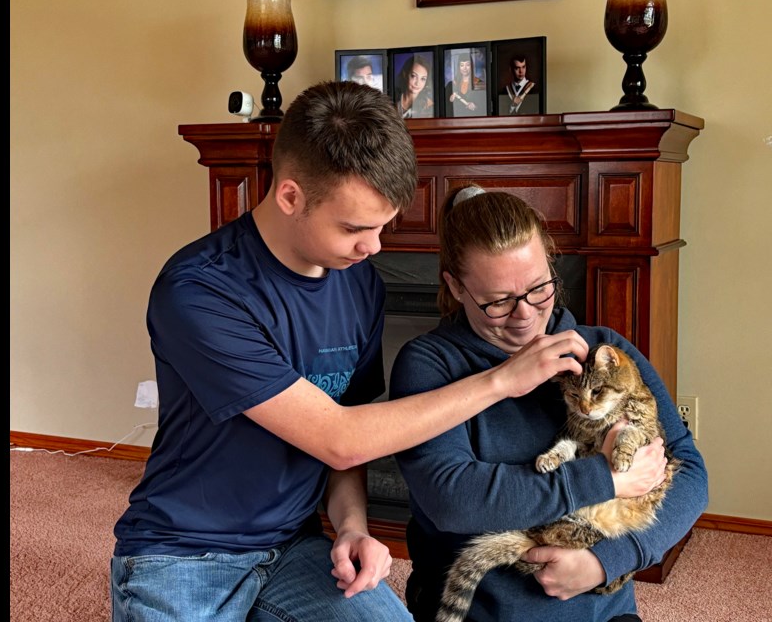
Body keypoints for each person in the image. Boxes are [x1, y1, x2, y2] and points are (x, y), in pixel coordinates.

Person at [110, 82, 591, 622]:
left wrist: (353, 527)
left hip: (295, 545)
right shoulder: (199, 291)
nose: (374, 247)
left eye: (384, 225)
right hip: (182, 553)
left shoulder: (360, 284)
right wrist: (502, 379)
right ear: (291, 196)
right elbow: (340, 440)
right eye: (355, 228)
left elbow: (353, 438)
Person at [390, 186, 709, 622]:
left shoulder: (605, 350)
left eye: (539, 288)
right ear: (456, 287)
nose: (524, 315)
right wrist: (605, 479)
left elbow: (690, 470)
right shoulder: (428, 365)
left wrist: (605, 562)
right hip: (479, 610)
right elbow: (452, 500)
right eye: (498, 301)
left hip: (603, 609)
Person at [444, 52, 487, 117]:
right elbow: (443, 105)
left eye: (467, 65)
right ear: (459, 67)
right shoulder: (452, 85)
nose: (464, 68)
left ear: (471, 66)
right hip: (455, 121)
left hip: (472, 120)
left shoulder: (479, 83)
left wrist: (475, 107)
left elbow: (484, 106)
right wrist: (450, 99)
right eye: (462, 65)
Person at [395, 54, 435, 119]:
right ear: (405, 74)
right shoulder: (391, 101)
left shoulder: (429, 106)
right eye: (413, 76)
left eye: (423, 79)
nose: (417, 83)